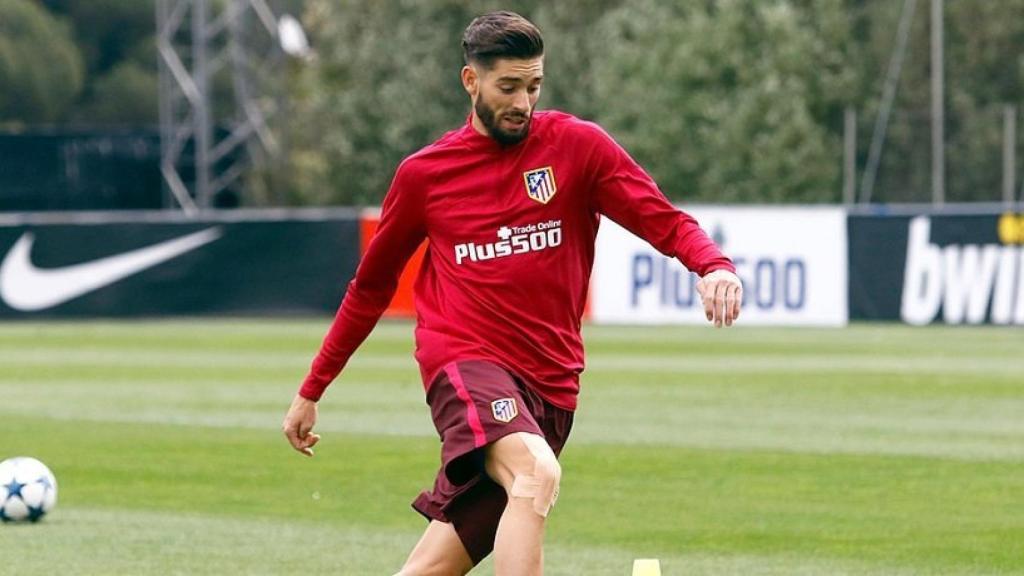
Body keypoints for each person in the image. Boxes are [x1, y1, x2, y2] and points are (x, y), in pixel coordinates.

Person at [282, 10, 742, 576]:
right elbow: (370, 289)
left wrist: (713, 265)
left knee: (433, 565)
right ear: (470, 82)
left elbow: (664, 220)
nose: (522, 102)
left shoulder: (579, 147)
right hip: (464, 364)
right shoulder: (425, 175)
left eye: (533, 86)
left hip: (551, 386)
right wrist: (312, 388)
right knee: (535, 473)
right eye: (508, 87)